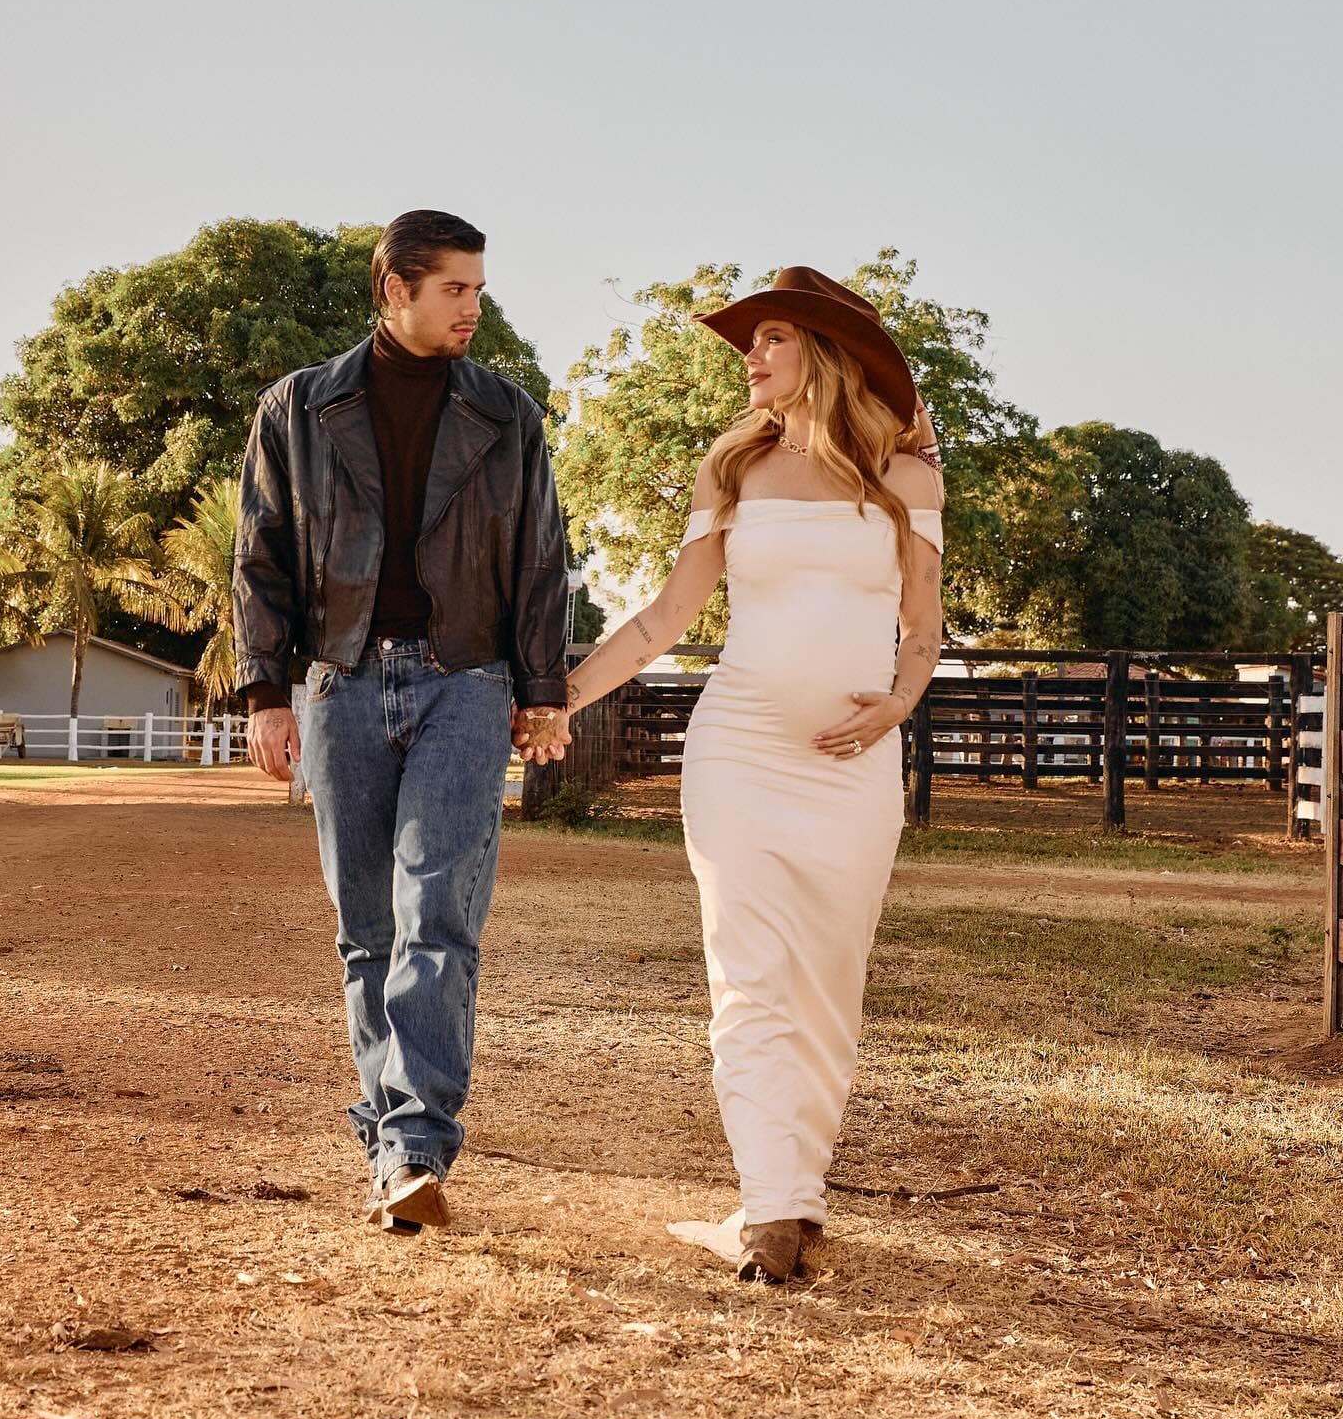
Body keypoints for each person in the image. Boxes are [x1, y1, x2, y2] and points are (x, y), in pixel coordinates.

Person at [532, 266, 944, 1282]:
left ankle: (796, 1192)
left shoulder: (907, 479)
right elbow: (665, 619)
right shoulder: (733, 469)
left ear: (827, 354)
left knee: (829, 982)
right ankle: (771, 1208)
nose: (750, 356)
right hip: (740, 751)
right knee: (749, 976)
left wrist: (900, 701)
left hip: (853, 769)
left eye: (772, 337)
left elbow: (923, 626)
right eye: (750, 341)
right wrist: (561, 699)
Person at [233, 210, 571, 1234]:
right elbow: (261, 554)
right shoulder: (297, 407)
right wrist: (264, 691)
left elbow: (541, 558)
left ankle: (418, 1141)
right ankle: (389, 1142)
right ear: (396, 289)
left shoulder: (507, 414)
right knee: (366, 929)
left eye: (478, 289)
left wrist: (542, 688)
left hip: (465, 680)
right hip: (340, 683)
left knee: (437, 913)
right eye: (456, 289)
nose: (474, 307)